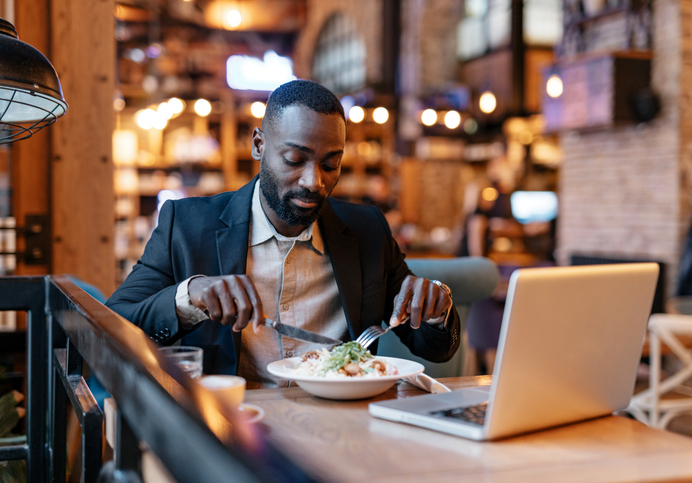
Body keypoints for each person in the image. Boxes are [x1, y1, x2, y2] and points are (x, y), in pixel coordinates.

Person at [106, 80, 459, 388]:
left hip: (342, 425)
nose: (314, 182)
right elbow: (113, 324)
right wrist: (190, 296)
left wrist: (435, 309)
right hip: (233, 427)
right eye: (294, 159)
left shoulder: (366, 231)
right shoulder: (186, 225)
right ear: (259, 145)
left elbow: (433, 347)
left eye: (330, 164)